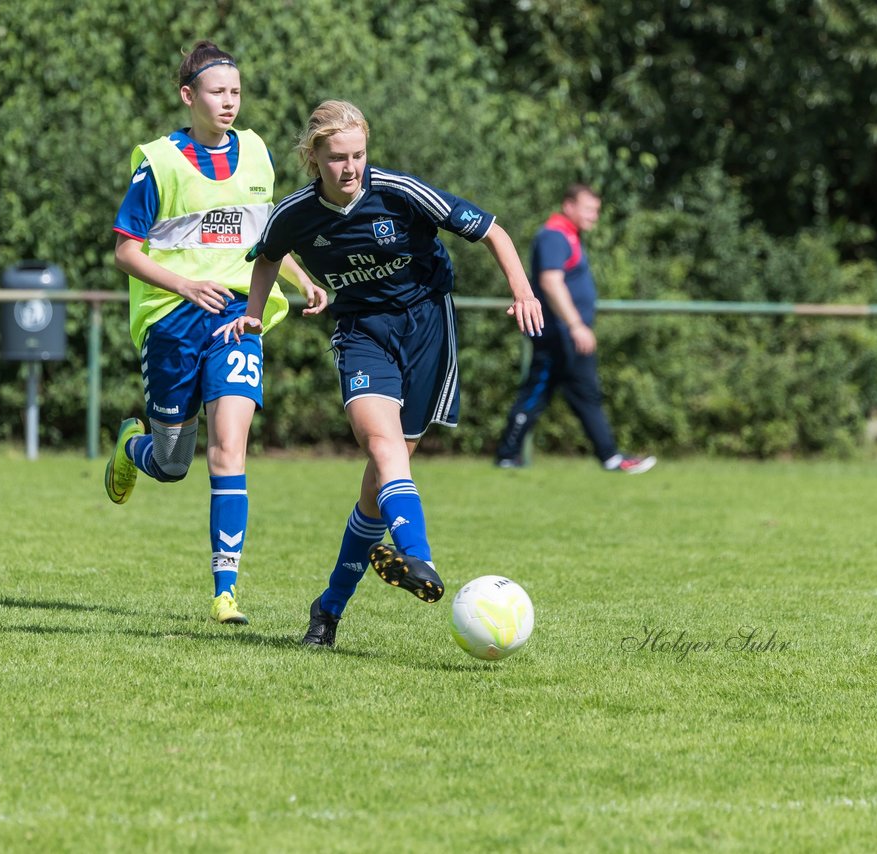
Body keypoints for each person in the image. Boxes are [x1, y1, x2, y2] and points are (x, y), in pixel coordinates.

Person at [216, 100, 543, 648]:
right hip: (362, 332)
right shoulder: (295, 214)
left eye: (359, 155)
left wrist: (523, 291)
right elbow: (267, 254)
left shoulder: (399, 192)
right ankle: (420, 559)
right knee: (382, 448)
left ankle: (328, 609)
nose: (351, 168)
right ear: (313, 158)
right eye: (338, 158)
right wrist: (253, 312)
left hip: (426, 326)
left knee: (377, 489)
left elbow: (492, 230)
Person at [105, 40, 327, 626]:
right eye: (216, 92)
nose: (229, 102)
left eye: (235, 91)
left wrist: (301, 277)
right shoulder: (158, 162)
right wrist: (182, 286)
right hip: (173, 322)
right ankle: (133, 447)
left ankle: (225, 591)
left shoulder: (255, 152)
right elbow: (126, 253)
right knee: (173, 463)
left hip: (237, 317)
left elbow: (263, 236)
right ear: (189, 96)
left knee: (229, 449)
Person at [494, 184, 656, 474]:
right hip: (560, 335)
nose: (594, 216)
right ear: (568, 206)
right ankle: (509, 454)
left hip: (566, 334)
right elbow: (551, 282)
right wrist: (576, 325)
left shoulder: (568, 235)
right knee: (540, 393)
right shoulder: (555, 235)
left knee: (571, 394)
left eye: (597, 210)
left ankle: (608, 456)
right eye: (589, 209)